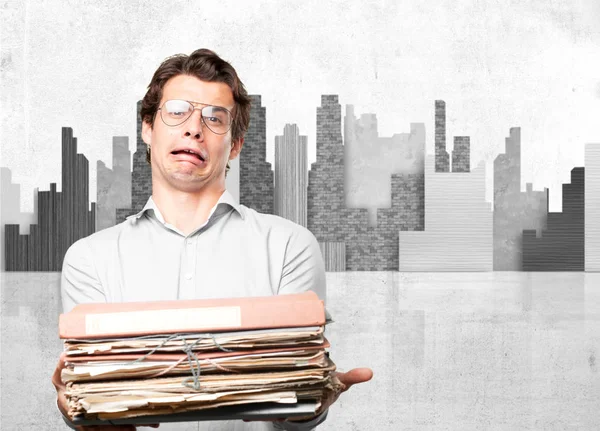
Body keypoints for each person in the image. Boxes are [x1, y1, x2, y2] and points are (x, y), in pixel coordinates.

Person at [52, 48, 373, 431]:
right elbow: (104, 409)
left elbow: (292, 409)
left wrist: (308, 402)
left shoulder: (290, 246)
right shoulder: (89, 259)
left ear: (235, 145)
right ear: (147, 128)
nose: (194, 128)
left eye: (214, 118)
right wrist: (84, 410)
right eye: (176, 111)